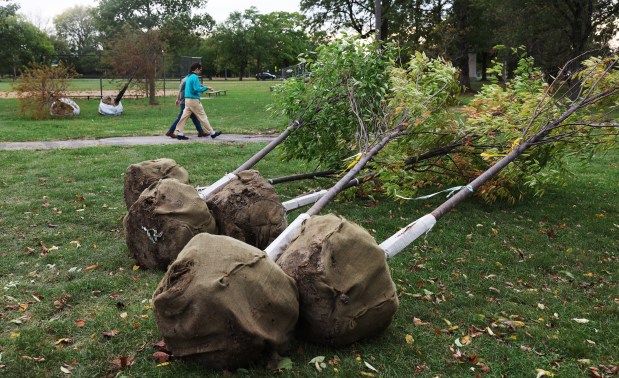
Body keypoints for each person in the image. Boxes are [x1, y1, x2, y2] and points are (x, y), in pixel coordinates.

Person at [173, 62, 222, 140]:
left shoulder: (189, 77)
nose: (200, 71)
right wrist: (206, 88)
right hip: (193, 100)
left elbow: (194, 86)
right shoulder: (195, 77)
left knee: (184, 117)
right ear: (196, 69)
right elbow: (196, 89)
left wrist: (205, 87)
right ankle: (212, 133)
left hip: (187, 100)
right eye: (200, 70)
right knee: (202, 116)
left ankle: (180, 133)